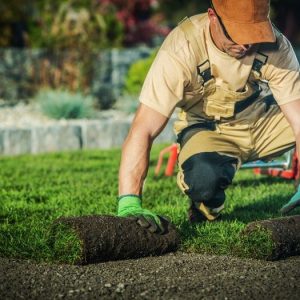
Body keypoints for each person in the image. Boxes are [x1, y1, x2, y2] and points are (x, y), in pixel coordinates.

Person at [117, 0, 300, 233]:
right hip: (209, 129)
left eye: (253, 32)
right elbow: (143, 129)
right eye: (236, 33)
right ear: (213, 16)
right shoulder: (182, 47)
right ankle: (206, 204)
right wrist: (129, 202)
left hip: (261, 121)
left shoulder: (276, 45)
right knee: (204, 181)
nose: (245, 43)